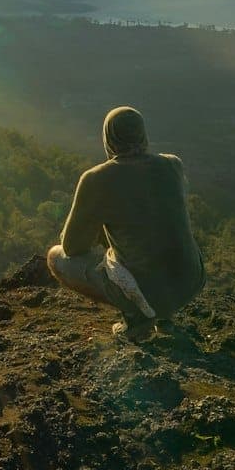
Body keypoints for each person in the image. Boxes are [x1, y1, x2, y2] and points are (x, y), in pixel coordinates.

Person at [46, 106, 205, 342]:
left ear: (107, 138)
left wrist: (96, 226)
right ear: (143, 135)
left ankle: (137, 317)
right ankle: (165, 317)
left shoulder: (96, 179)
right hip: (191, 281)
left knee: (55, 257)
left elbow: (72, 248)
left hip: (150, 292)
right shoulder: (173, 165)